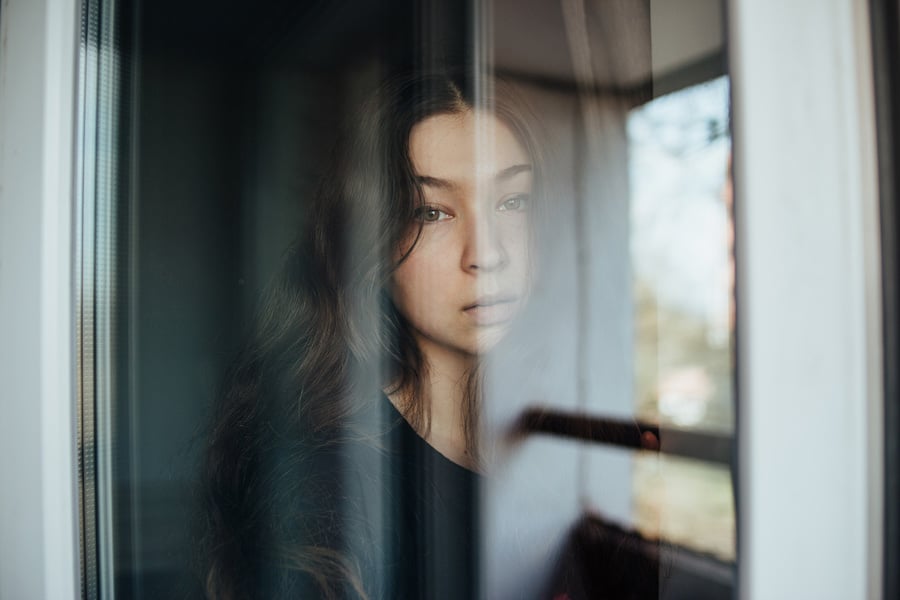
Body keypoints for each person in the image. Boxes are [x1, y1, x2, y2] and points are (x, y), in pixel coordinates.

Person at [198, 71, 545, 599]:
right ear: (371, 243)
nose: (488, 253)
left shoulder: (553, 436)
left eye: (512, 201)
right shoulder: (332, 487)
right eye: (430, 212)